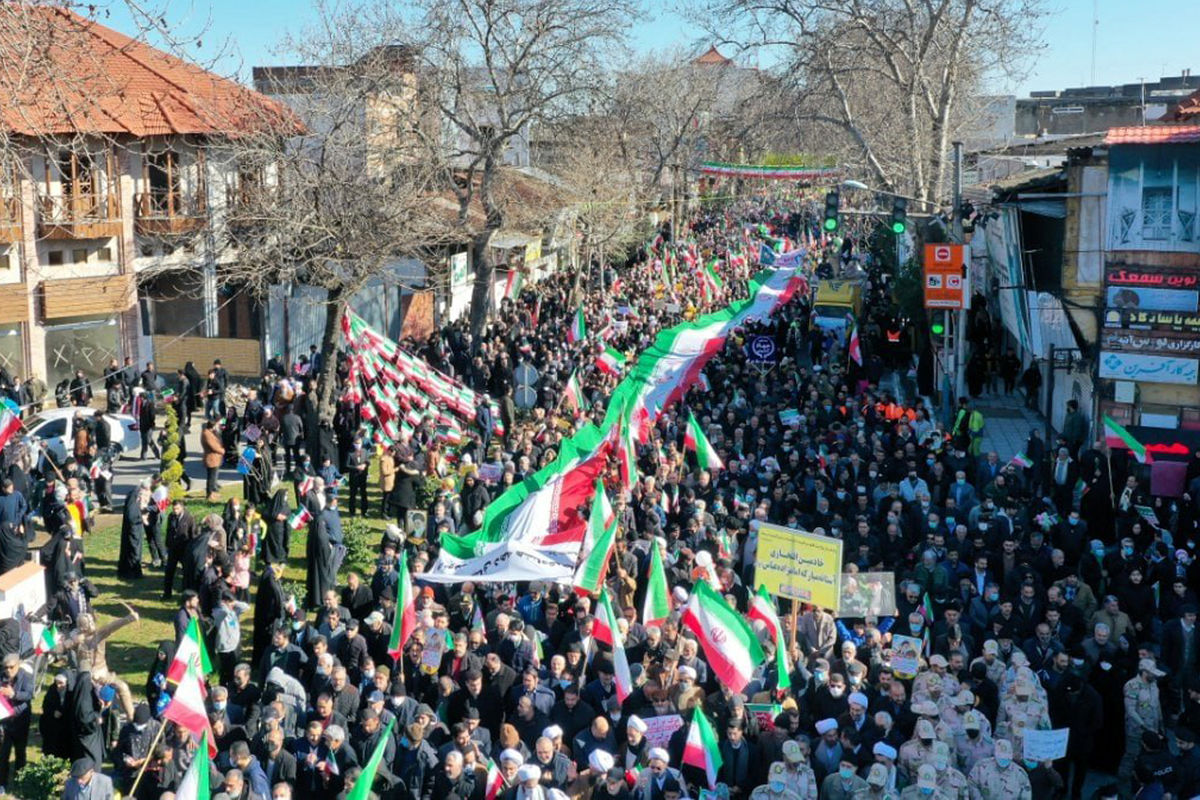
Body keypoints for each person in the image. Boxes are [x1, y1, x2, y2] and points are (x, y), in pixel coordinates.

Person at [117, 482, 151, 580]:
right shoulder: (135, 498)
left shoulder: (135, 495)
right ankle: (134, 572)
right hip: (133, 530)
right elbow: (132, 516)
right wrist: (142, 518)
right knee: (134, 551)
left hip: (133, 529)